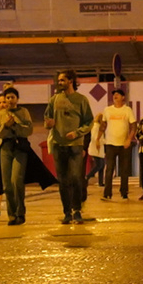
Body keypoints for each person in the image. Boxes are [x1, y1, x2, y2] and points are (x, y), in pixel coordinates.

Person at [44, 70, 96, 224]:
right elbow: (47, 116)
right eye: (58, 80)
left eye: (62, 80)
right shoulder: (54, 100)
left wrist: (77, 133)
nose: (59, 83)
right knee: (63, 180)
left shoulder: (81, 100)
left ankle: (77, 210)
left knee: (76, 178)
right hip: (59, 145)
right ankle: (67, 212)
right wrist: (48, 123)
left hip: (75, 146)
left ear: (71, 80)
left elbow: (89, 122)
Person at [0, 85, 33, 225]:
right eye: (8, 98)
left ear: (17, 99)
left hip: (20, 148)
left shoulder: (24, 112)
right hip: (5, 148)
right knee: (6, 184)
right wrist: (6, 126)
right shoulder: (1, 114)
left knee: (16, 180)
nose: (10, 100)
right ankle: (12, 215)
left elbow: (28, 130)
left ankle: (20, 212)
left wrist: (16, 126)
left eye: (13, 97)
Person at [99, 88, 136, 200]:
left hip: (123, 144)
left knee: (124, 170)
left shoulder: (127, 110)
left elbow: (133, 126)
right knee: (109, 169)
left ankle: (124, 192)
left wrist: (129, 139)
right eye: (114, 94)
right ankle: (107, 193)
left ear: (123, 97)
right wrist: (97, 138)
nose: (115, 96)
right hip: (110, 143)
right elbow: (103, 125)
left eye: (118, 94)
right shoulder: (107, 110)